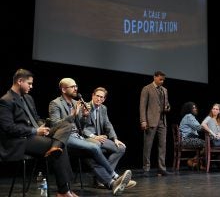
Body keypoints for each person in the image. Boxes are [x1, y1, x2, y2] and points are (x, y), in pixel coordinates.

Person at [0, 69, 78, 197]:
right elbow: (9, 128)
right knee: (59, 146)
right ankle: (64, 190)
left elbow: (35, 118)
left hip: (36, 134)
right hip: (21, 139)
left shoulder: (28, 98)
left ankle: (64, 189)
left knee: (66, 125)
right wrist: (35, 130)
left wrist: (42, 125)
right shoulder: (6, 100)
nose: (31, 86)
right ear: (20, 81)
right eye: (29, 83)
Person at [48, 78, 132, 194]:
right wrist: (72, 116)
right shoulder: (55, 103)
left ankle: (111, 184)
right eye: (72, 87)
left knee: (91, 157)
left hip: (77, 137)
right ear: (63, 89)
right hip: (65, 138)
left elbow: (80, 127)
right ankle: (115, 176)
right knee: (94, 147)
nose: (76, 89)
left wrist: (85, 117)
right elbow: (55, 125)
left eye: (76, 86)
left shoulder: (74, 103)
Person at [82, 87, 136, 189]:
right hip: (87, 139)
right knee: (94, 151)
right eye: (97, 96)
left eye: (101, 97)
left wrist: (114, 138)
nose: (99, 99)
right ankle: (111, 178)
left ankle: (101, 178)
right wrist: (94, 136)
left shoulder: (103, 108)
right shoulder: (85, 107)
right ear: (92, 96)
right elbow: (81, 128)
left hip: (100, 139)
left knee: (120, 148)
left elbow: (108, 124)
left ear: (104, 99)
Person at [139, 70, 172, 176]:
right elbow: (142, 106)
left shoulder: (164, 90)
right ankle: (146, 169)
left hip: (163, 121)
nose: (162, 81)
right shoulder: (147, 88)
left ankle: (161, 168)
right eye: (160, 79)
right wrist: (143, 120)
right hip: (150, 121)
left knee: (163, 146)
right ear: (154, 77)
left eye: (163, 80)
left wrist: (168, 107)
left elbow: (167, 104)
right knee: (148, 145)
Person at [179, 101, 205, 169]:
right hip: (186, 140)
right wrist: (208, 126)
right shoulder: (189, 116)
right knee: (208, 144)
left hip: (184, 140)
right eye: (193, 108)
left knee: (206, 144)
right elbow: (199, 128)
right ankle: (193, 160)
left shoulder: (187, 117)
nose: (195, 109)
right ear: (189, 109)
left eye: (195, 107)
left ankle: (195, 162)